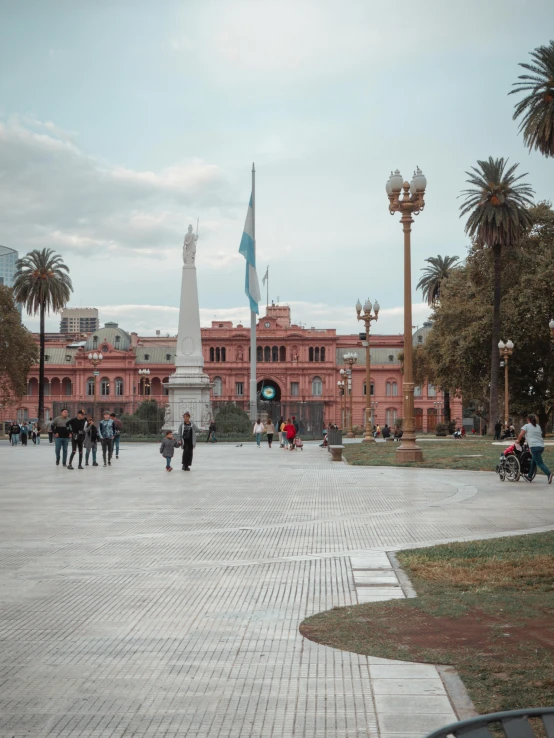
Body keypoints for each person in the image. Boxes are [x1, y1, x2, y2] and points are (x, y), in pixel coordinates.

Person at [517, 414, 552, 484]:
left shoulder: (526, 426)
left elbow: (521, 434)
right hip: (541, 446)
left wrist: (518, 440)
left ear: (528, 420)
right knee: (533, 461)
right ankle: (529, 477)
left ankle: (549, 474)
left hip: (534, 446)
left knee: (539, 462)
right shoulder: (538, 426)